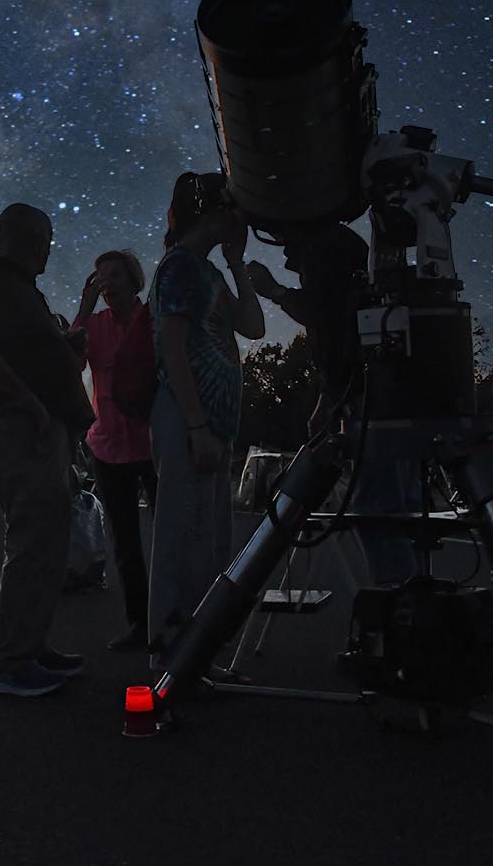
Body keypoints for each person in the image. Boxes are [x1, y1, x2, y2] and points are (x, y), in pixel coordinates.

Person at [0, 203, 95, 697]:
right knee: (33, 539)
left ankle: (31, 645)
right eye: (45, 236)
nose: (50, 247)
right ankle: (7, 661)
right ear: (26, 238)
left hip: (35, 427)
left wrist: (64, 352)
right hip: (20, 428)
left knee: (47, 541)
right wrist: (32, 407)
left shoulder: (18, 291)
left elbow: (27, 354)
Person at [246, 224, 419, 585]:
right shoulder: (335, 242)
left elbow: (329, 321)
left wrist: (330, 393)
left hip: (370, 396)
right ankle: (410, 600)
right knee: (401, 512)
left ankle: (398, 608)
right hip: (392, 390)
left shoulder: (322, 246)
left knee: (379, 512)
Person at [147, 173, 265, 664]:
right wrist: (196, 425)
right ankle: (171, 651)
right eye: (231, 211)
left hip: (212, 423)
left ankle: (198, 649)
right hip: (187, 419)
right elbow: (171, 347)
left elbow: (253, 326)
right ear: (211, 212)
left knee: (212, 537)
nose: (240, 220)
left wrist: (237, 263)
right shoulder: (179, 267)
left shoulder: (208, 271)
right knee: (184, 533)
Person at [73, 250, 158, 651]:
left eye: (113, 275)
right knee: (125, 542)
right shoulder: (94, 325)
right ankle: (139, 623)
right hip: (107, 444)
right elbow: (68, 364)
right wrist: (84, 308)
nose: (106, 284)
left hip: (154, 441)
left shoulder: (153, 318)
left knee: (173, 533)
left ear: (133, 278)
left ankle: (179, 615)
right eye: (100, 277)